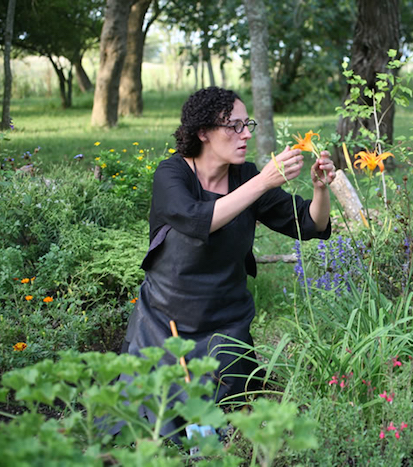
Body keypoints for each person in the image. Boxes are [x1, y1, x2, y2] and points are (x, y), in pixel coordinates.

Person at [115, 86, 334, 439]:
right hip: (163, 323)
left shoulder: (245, 177)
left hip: (225, 326)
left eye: (247, 124)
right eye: (234, 126)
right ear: (203, 132)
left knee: (226, 421)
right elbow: (196, 218)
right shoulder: (171, 175)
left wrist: (321, 189)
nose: (246, 133)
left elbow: (311, 224)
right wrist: (263, 182)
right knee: (150, 424)